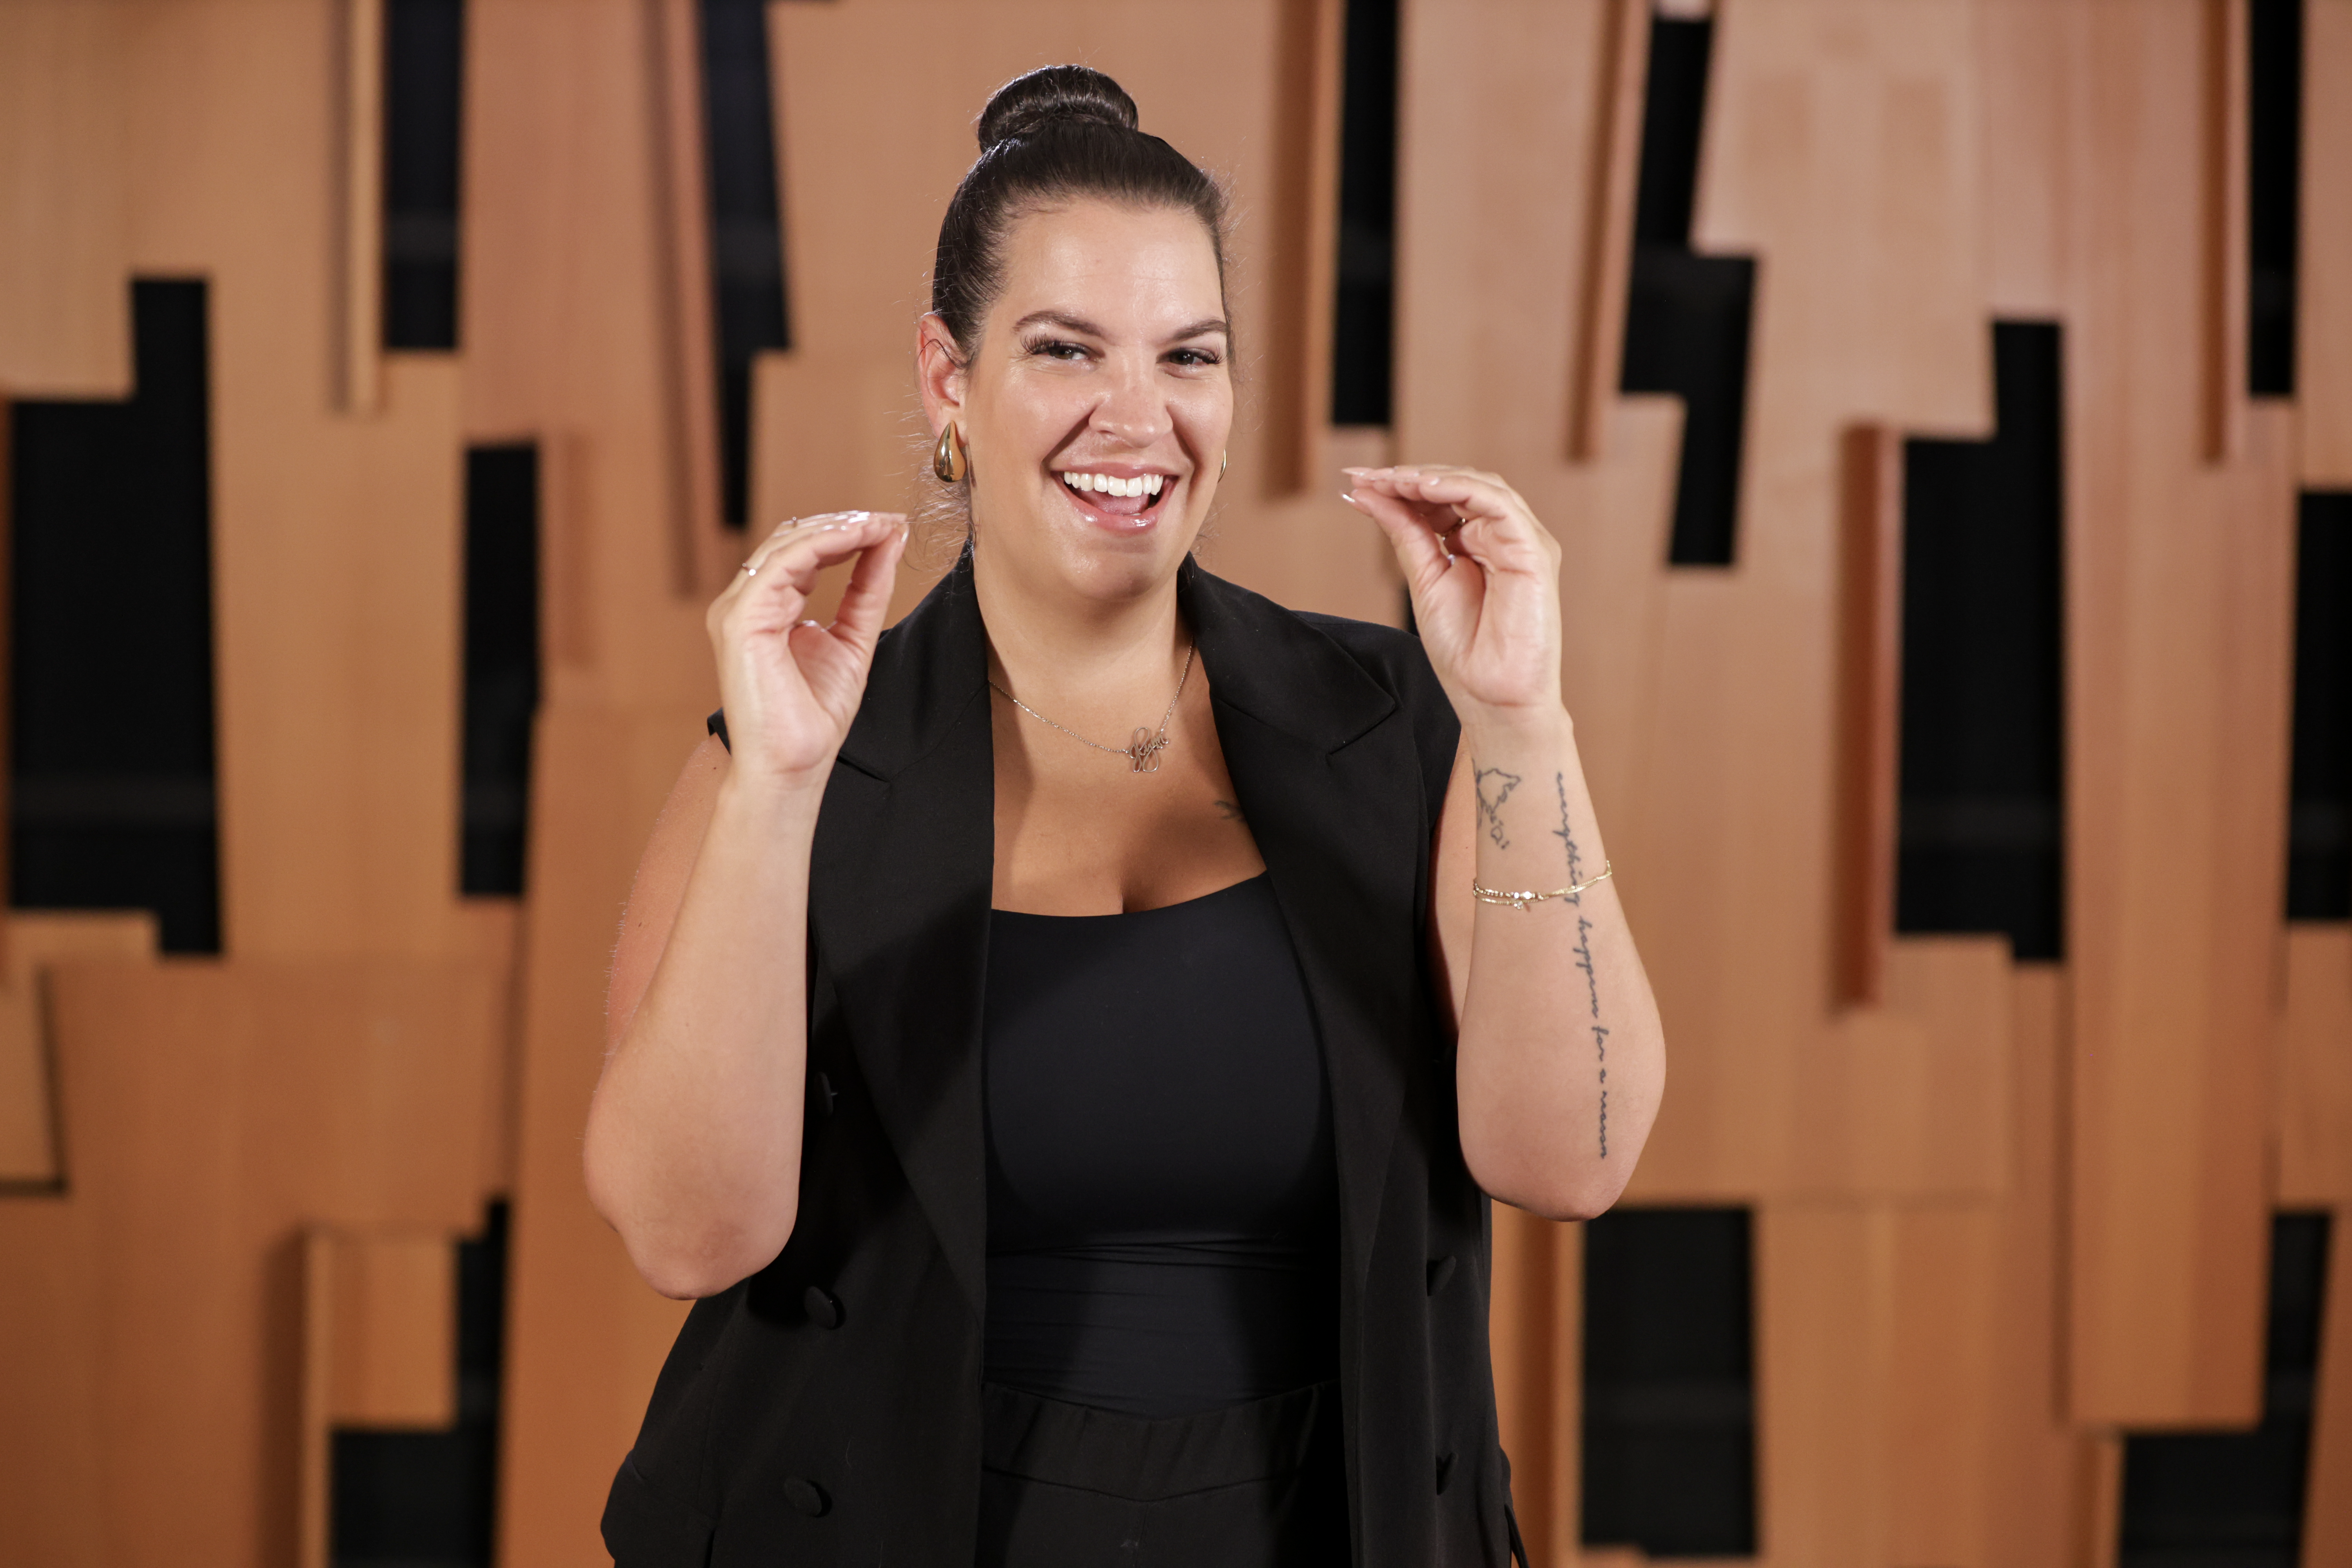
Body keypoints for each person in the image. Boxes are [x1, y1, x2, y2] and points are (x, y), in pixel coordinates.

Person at [584, 64, 1664, 1568]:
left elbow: (1575, 1162)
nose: (1140, 418)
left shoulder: (1398, 723)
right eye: (1063, 348)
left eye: (1191, 355)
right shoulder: (792, 751)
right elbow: (685, 1237)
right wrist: (774, 791)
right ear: (948, 381)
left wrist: (1523, 719)